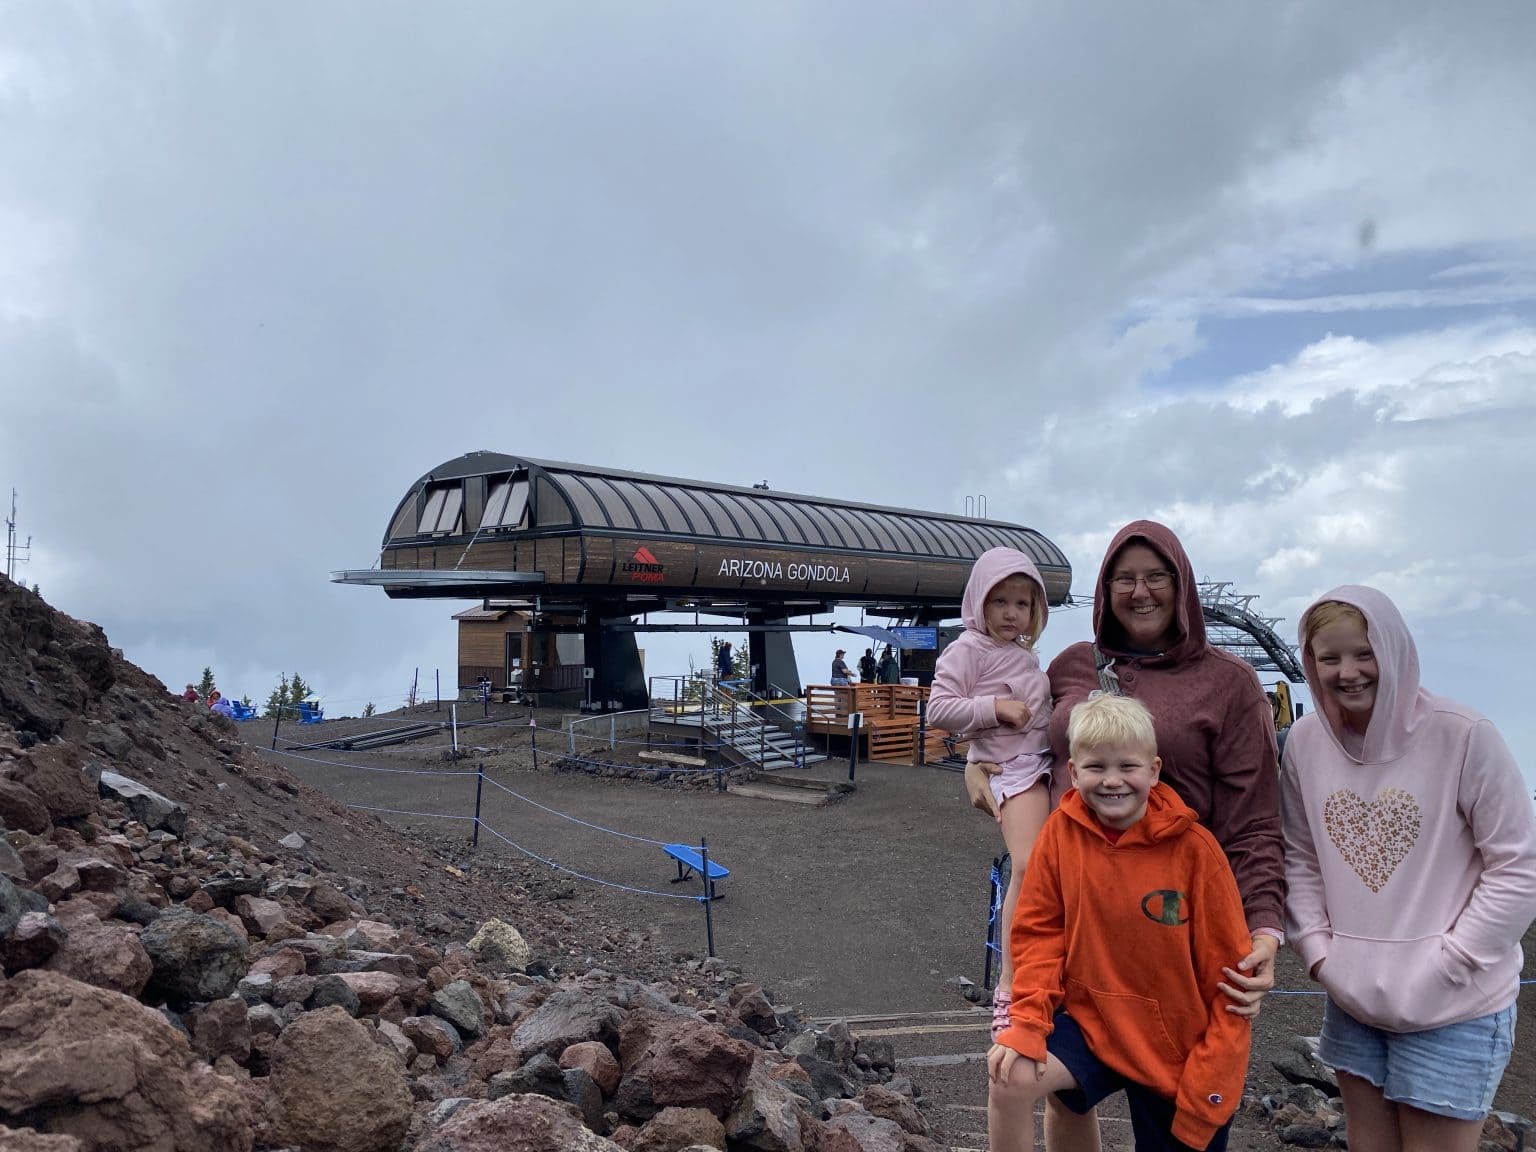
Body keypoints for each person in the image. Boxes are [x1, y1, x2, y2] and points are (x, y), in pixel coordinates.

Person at [966, 521, 1284, 1152]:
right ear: (1105, 587)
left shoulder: (1230, 684)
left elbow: (1255, 822)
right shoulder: (1072, 664)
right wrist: (977, 765)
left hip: (1173, 931)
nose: (1141, 591)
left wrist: (1264, 929)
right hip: (1073, 913)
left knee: (1169, 1109)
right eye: (1124, 577)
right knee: (1058, 1093)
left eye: (1157, 576)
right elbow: (1019, 736)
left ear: (1182, 584)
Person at [1282, 587, 1536, 1150]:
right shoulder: (1303, 742)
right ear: (1310, 661)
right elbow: (1298, 855)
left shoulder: (1464, 735)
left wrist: (1455, 960)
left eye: (1363, 653)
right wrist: (1320, 953)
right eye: (1330, 657)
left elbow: (1519, 866)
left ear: (1394, 651)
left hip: (1454, 1002)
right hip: (1353, 997)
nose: (1348, 672)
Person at [988, 693, 1252, 1152]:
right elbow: (1039, 936)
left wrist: (1213, 1079)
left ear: (1154, 770)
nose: (1112, 781)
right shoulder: (1059, 833)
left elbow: (1230, 978)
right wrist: (1027, 1021)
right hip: (1093, 1024)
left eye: (1128, 767)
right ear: (1074, 772)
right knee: (1009, 1075)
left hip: (1176, 1049)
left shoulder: (1196, 851)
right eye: (1096, 768)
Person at [929, 548, 1054, 1038]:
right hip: (1016, 772)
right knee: (1027, 864)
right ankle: (1009, 983)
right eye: (999, 601)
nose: (1010, 613)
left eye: (1022, 604)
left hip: (1042, 765)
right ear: (978, 601)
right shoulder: (967, 649)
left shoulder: (1024, 654)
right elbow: (938, 710)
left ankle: (1040, 971)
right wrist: (995, 708)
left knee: (1050, 870)